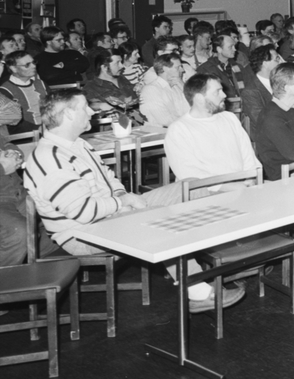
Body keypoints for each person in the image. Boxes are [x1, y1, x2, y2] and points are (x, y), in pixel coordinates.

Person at [23, 89, 241, 311]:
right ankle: (196, 290)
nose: (91, 111)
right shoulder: (50, 158)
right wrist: (122, 203)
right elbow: (83, 212)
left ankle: (224, 256)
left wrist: (121, 198)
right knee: (159, 220)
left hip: (110, 212)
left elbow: (109, 178)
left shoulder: (77, 144)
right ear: (69, 114)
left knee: (193, 186)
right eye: (84, 107)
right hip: (83, 233)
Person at [164, 74, 259, 181]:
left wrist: (250, 179)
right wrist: (229, 187)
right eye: (217, 92)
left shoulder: (229, 118)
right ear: (199, 98)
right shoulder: (179, 129)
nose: (224, 95)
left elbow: (249, 158)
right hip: (205, 189)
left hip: (242, 184)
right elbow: (188, 173)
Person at [0, 90, 27, 265]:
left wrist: (13, 151)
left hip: (12, 190)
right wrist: (2, 168)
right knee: (18, 233)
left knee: (52, 209)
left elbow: (5, 142)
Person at [0, 50, 47, 135]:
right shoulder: (5, 91)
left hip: (48, 127)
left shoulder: (40, 83)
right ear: (13, 68)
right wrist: (38, 129)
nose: (33, 66)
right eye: (27, 65)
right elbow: (12, 123)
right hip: (28, 135)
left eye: (33, 62)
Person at [139, 54, 190, 128]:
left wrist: (183, 87)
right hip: (161, 132)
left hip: (181, 128)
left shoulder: (177, 86)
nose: (182, 70)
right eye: (178, 67)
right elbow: (165, 121)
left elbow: (193, 109)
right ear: (165, 69)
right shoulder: (151, 90)